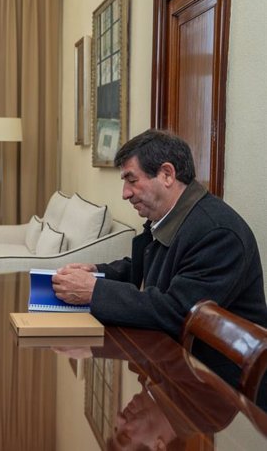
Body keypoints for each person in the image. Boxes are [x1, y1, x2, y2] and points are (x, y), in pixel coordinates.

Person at [51, 129, 267, 387]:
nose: (125, 193)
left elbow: (179, 313)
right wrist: (95, 272)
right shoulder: (172, 216)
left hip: (219, 387)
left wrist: (94, 291)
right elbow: (146, 267)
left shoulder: (217, 233)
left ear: (166, 174)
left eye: (132, 180)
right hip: (176, 367)